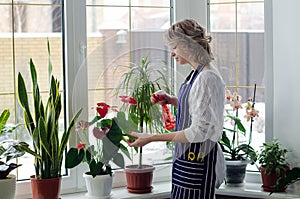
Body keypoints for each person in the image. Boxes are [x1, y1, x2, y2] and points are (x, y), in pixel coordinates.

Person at [128, 18, 225, 199]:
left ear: (187, 45)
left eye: (174, 47)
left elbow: (198, 132)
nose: (172, 53)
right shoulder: (198, 73)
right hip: (188, 161)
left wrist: (152, 138)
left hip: (198, 162)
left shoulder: (206, 77)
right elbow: (201, 108)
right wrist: (172, 100)